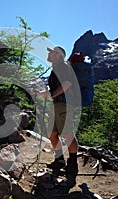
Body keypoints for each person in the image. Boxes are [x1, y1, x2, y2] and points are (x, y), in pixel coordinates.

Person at [46, 46, 79, 189]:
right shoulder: (56, 68)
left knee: (67, 133)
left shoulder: (64, 66)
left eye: (52, 52)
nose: (50, 54)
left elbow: (67, 84)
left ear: (58, 55)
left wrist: (52, 95)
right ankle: (59, 161)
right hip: (57, 104)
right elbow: (54, 88)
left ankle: (72, 166)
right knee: (52, 134)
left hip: (64, 104)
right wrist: (43, 94)